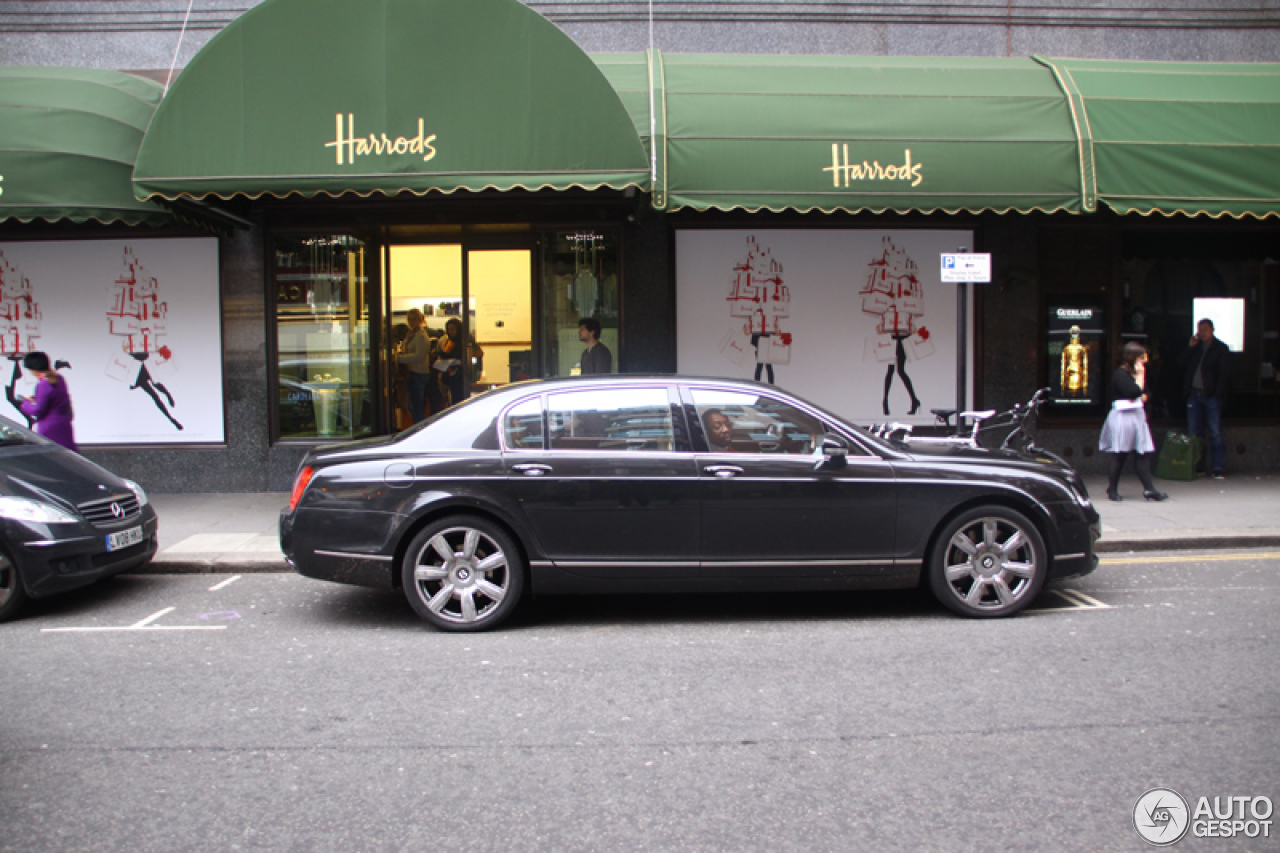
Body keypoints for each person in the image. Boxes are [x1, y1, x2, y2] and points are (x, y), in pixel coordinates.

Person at [1099, 342, 1166, 502]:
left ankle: (1149, 489)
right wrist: (1140, 379)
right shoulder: (1121, 374)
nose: (1145, 361)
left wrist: (1142, 392)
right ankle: (1112, 489)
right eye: (1142, 357)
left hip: (1136, 416)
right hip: (1123, 417)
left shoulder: (1135, 374)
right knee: (1119, 454)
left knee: (1141, 453)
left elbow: (1146, 393)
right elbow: (1133, 391)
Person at [1182, 317, 1229, 478]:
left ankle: (1218, 467)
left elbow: (1223, 374)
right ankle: (1198, 466)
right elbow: (1180, 363)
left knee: (1215, 432)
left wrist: (1217, 393)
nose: (1202, 333)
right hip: (1194, 394)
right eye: (1200, 330)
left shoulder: (1220, 348)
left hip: (1210, 395)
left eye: (1205, 329)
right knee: (1195, 433)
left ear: (1212, 330)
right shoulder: (1196, 348)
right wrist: (1190, 348)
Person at [18, 351, 77, 452]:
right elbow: (58, 398)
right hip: (64, 423)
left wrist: (25, 404)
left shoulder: (42, 384)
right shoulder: (59, 378)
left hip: (49, 427)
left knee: (53, 457)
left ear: (33, 369)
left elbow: (38, 410)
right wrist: (37, 398)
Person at [397, 309, 441, 423]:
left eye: (414, 319)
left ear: (420, 320)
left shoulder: (421, 335)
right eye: (409, 319)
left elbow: (419, 356)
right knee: (413, 405)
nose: (411, 322)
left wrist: (398, 358)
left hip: (419, 372)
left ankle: (420, 428)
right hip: (413, 371)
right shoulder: (412, 334)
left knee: (416, 405)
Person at [438, 317, 481, 406]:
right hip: (452, 376)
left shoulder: (465, 340)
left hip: (463, 376)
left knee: (460, 401)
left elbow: (476, 354)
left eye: (453, 329)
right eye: (449, 329)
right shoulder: (449, 341)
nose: (451, 332)